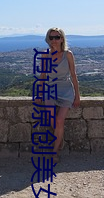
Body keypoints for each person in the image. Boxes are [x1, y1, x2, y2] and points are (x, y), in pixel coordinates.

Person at [37, 27, 80, 163]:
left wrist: (77, 96)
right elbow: (43, 76)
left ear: (62, 39)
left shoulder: (68, 55)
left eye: (57, 37)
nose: (54, 40)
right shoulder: (45, 55)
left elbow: (73, 75)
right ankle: (59, 138)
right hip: (49, 90)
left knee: (60, 120)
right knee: (52, 118)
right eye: (51, 38)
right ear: (47, 40)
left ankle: (55, 151)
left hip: (66, 90)